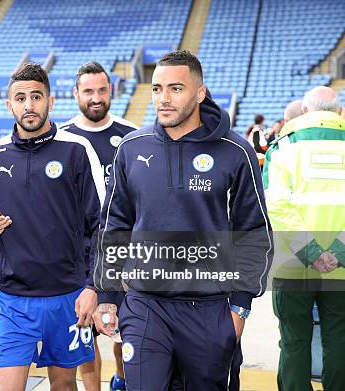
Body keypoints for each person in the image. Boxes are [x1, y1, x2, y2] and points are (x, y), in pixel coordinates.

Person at [92, 50, 272, 391]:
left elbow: (254, 232)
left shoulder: (236, 151)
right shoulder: (132, 147)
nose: (164, 99)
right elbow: (114, 225)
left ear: (199, 93)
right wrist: (108, 295)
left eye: (176, 88)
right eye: (157, 89)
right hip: (145, 306)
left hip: (210, 310)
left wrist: (239, 309)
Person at [0, 62, 105, 391]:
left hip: (68, 297)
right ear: (9, 105)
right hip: (12, 300)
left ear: (50, 101)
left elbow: (99, 225)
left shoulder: (76, 149)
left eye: (36, 96)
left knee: (64, 386)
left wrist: (92, 287)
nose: (28, 105)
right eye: (20, 98)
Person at [60, 61, 136, 391]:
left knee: (130, 335)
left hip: (126, 258)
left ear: (111, 92)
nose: (95, 97)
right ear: (75, 94)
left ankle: (122, 378)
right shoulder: (62, 139)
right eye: (88, 91)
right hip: (79, 262)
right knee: (84, 342)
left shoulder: (132, 136)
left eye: (102, 90)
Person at [264, 86, 344, 391]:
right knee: (339, 340)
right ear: (338, 112)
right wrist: (336, 251)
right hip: (342, 266)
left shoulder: (283, 147)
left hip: (292, 264)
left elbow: (276, 206)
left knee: (295, 342)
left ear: (306, 112)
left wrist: (311, 251)